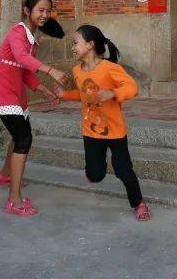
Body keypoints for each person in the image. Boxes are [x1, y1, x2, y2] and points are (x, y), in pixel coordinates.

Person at [0, 0, 67, 217]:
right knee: (23, 138)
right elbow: (21, 58)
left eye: (48, 11)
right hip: (3, 92)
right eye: (41, 10)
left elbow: (25, 71)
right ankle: (14, 200)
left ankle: (5, 174)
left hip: (15, 94)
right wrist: (51, 70)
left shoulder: (31, 37)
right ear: (27, 10)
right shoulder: (17, 32)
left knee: (19, 135)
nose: (45, 15)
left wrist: (44, 90)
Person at [62, 24, 150, 221]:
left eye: (75, 43)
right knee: (96, 175)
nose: (73, 47)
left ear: (90, 45)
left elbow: (132, 88)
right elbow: (82, 94)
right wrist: (64, 95)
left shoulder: (110, 68)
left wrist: (113, 93)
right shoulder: (77, 71)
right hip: (91, 131)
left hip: (115, 131)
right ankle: (92, 173)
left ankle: (139, 203)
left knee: (123, 170)